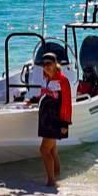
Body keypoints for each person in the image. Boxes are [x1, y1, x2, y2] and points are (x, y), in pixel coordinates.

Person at [36, 52, 72, 187]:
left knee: (43, 150)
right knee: (52, 150)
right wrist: (33, 100)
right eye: (43, 64)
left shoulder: (62, 80)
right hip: (45, 120)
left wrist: (64, 124)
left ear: (55, 64)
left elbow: (67, 103)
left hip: (55, 121)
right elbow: (44, 95)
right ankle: (57, 174)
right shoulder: (45, 78)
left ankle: (51, 181)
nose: (46, 67)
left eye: (49, 64)